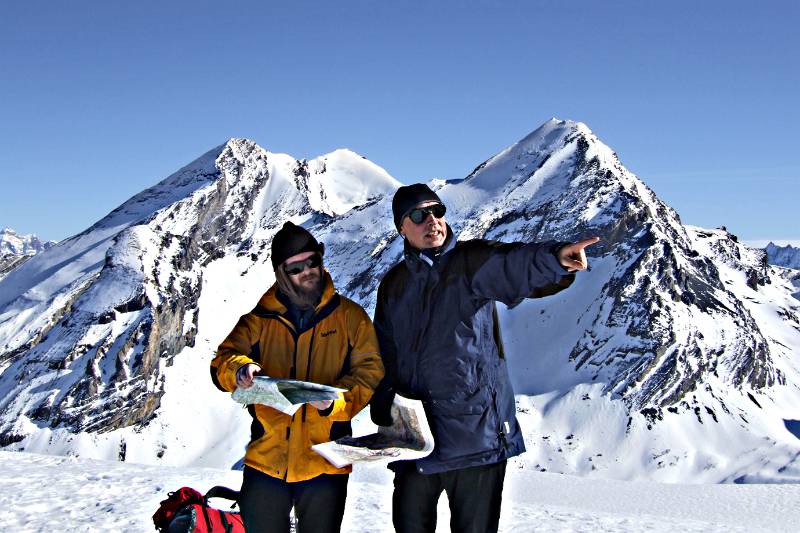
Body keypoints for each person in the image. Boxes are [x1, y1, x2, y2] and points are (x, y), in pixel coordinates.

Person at [370, 184, 599, 533]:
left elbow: (514, 264)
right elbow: (383, 353)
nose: (432, 221)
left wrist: (555, 259)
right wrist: (383, 403)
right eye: (418, 215)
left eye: (438, 211)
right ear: (401, 227)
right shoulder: (394, 284)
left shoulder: (470, 262)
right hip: (416, 442)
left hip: (475, 437)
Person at [211, 221, 384, 533]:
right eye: (296, 268)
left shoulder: (350, 317)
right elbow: (222, 359)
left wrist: (334, 402)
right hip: (265, 462)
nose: (308, 271)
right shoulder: (259, 321)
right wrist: (239, 370)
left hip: (325, 463)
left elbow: (370, 372)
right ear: (281, 274)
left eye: (312, 261)